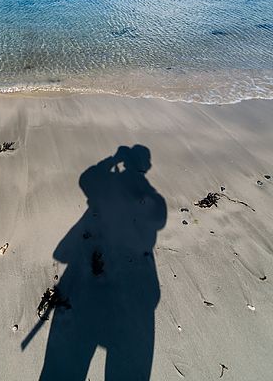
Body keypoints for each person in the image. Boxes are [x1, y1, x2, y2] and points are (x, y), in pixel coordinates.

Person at [37, 145, 167, 380]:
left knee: (63, 365)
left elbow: (86, 179)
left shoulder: (109, 182)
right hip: (135, 279)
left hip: (98, 270)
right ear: (145, 166)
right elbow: (159, 219)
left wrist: (111, 160)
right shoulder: (155, 199)